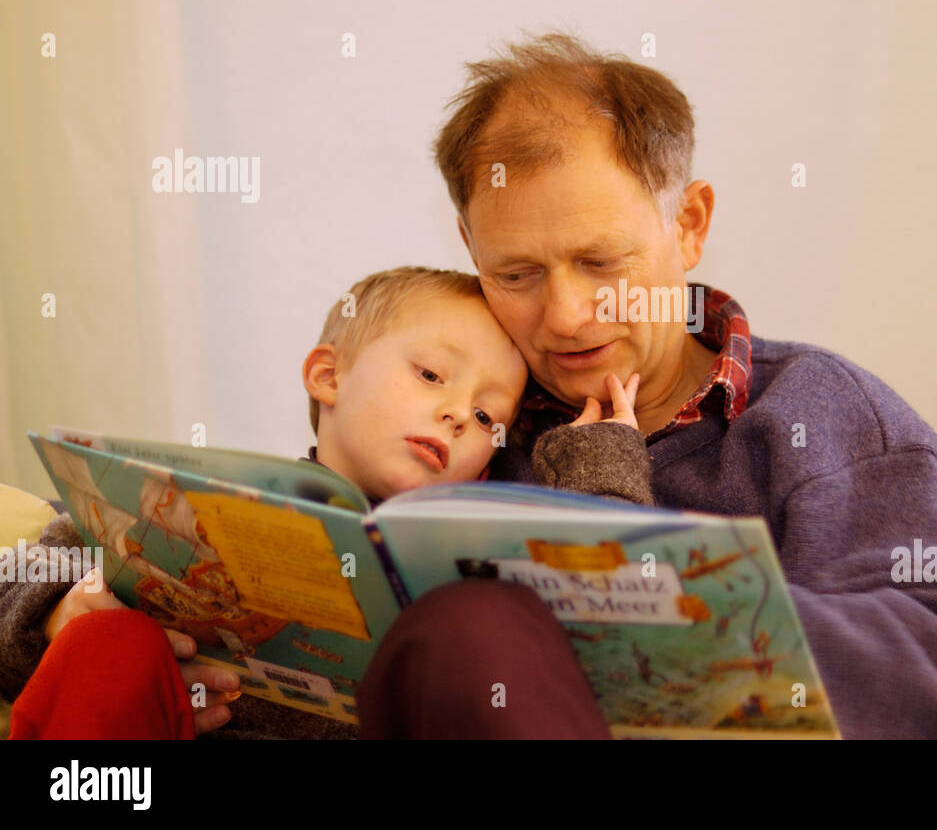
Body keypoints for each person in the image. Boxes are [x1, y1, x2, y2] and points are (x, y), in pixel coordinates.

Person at [428, 31, 937, 739]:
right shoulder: (469, 426)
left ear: (688, 226)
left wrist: (655, 616)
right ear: (471, 249)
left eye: (600, 262)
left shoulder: (817, 416)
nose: (564, 318)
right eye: (516, 274)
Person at [2, 267, 647, 739]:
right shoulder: (201, 505)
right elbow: (19, 583)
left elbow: (607, 641)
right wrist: (56, 615)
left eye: (486, 416)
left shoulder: (473, 555)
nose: (456, 414)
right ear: (328, 375)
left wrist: (602, 466)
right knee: (108, 644)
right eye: (429, 375)